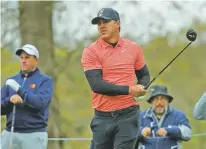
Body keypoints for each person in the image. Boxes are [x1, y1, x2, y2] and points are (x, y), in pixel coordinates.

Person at [81, 8, 150, 149]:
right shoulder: (90, 51)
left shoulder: (134, 48)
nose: (101, 26)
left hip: (129, 114)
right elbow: (97, 85)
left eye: (105, 21)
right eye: (99, 23)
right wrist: (130, 89)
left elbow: (144, 75)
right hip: (102, 117)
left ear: (117, 23)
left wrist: (141, 87)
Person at [1, 44, 53, 149]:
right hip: (10, 134)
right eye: (21, 58)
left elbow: (40, 103)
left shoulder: (45, 81)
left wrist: (20, 91)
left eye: (27, 57)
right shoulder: (11, 80)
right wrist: (10, 100)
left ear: (36, 60)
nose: (23, 61)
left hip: (34, 134)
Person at [137, 85, 192, 149]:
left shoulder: (178, 115)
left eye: (162, 98)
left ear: (168, 101)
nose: (159, 102)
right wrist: (141, 132)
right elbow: (129, 135)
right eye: (156, 99)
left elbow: (188, 133)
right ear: (151, 101)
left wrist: (169, 130)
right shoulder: (141, 116)